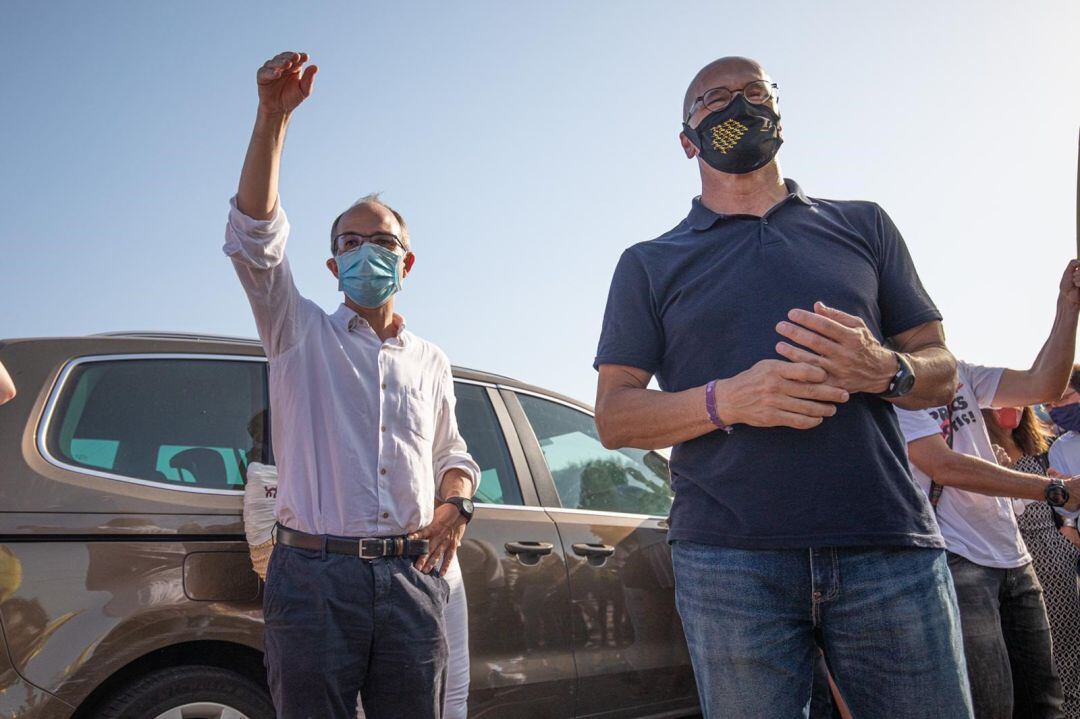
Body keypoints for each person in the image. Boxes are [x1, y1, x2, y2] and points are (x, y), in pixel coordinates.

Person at [594, 55, 970, 718]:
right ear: (687, 140)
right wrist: (726, 400)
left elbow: (942, 369)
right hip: (729, 562)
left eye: (754, 93)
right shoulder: (648, 263)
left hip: (885, 545)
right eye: (714, 99)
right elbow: (616, 416)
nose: (738, 107)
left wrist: (883, 368)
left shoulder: (864, 225)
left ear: (779, 114)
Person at [225, 51, 480, 719]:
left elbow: (454, 455)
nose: (368, 251)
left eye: (383, 240)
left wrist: (456, 503)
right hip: (313, 579)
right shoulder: (297, 332)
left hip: (411, 578)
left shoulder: (430, 360)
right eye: (351, 241)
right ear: (333, 263)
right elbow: (254, 239)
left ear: (408, 260)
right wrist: (271, 120)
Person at [895, 264, 1080, 719]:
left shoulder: (963, 374)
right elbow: (941, 463)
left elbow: (1045, 385)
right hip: (956, 561)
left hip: (1012, 556)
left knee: (1045, 703)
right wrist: (1054, 490)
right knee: (990, 706)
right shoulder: (898, 388)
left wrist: (1067, 308)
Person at [242, 461, 471, 719]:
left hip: (416, 560)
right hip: (317, 558)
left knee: (448, 701)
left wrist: (461, 505)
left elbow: (451, 454)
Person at [984, 405, 1080, 718]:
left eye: (1015, 402)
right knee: (1028, 655)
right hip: (1007, 565)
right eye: (998, 404)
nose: (1008, 410)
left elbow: (1067, 494)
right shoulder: (978, 454)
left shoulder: (1041, 450)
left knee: (1066, 648)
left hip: (1055, 561)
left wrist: (1067, 528)